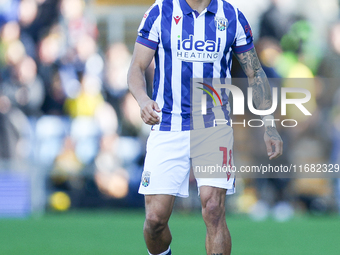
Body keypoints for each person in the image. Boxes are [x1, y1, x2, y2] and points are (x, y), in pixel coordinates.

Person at [127, 0, 283, 254]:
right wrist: (143, 100)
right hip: (168, 124)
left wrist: (269, 124)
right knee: (155, 220)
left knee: (213, 209)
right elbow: (136, 67)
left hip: (213, 126)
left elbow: (256, 74)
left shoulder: (231, 16)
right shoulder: (160, 12)